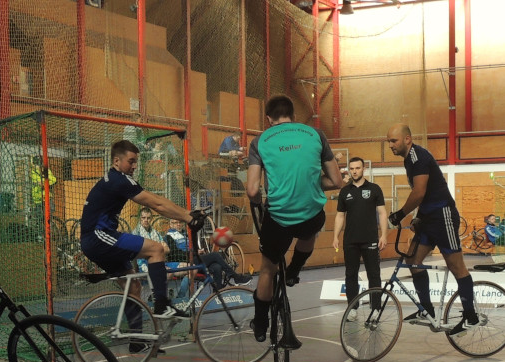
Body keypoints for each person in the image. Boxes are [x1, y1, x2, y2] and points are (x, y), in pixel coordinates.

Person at [246, 95, 343, 342]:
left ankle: (260, 323)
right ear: (294, 117)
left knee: (267, 269)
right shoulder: (315, 135)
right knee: (311, 228)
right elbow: (336, 181)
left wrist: (258, 202)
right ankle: (294, 270)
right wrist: (310, 184)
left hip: (278, 218)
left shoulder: (260, 141)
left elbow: (253, 190)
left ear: (268, 119)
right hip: (310, 216)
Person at [80, 139, 203, 318]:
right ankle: (162, 305)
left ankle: (137, 342)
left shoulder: (113, 179)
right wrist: (188, 217)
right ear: (116, 162)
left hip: (97, 239)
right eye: (131, 161)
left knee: (133, 287)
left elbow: (158, 202)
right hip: (98, 237)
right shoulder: (119, 180)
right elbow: (157, 203)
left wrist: (187, 213)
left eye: (136, 161)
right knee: (156, 249)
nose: (135, 166)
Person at [386, 123, 478, 334]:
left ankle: (470, 316)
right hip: (428, 217)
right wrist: (419, 217)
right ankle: (426, 309)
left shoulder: (418, 157)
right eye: (389, 141)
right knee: (413, 261)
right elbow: (424, 195)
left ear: (407, 139)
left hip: (443, 215)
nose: (390, 145)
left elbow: (419, 193)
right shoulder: (409, 160)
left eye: (394, 141)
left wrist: (400, 214)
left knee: (456, 266)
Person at [332, 156, 387, 320]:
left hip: (370, 239)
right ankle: (352, 308)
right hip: (350, 241)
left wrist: (383, 235)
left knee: (374, 274)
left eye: (358, 168)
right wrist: (335, 236)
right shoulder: (345, 191)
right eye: (352, 168)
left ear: (364, 169)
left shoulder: (375, 189)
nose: (355, 171)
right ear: (350, 170)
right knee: (350, 275)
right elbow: (340, 216)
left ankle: (376, 308)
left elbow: (382, 213)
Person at [163, 218, 252, 296]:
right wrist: (193, 252)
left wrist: (199, 251)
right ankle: (235, 277)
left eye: (180, 222)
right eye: (175, 223)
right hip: (185, 261)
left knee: (217, 267)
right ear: (170, 224)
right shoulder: (169, 236)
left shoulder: (185, 235)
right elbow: (175, 254)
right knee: (216, 255)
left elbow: (193, 248)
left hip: (194, 258)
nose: (178, 224)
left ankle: (217, 294)